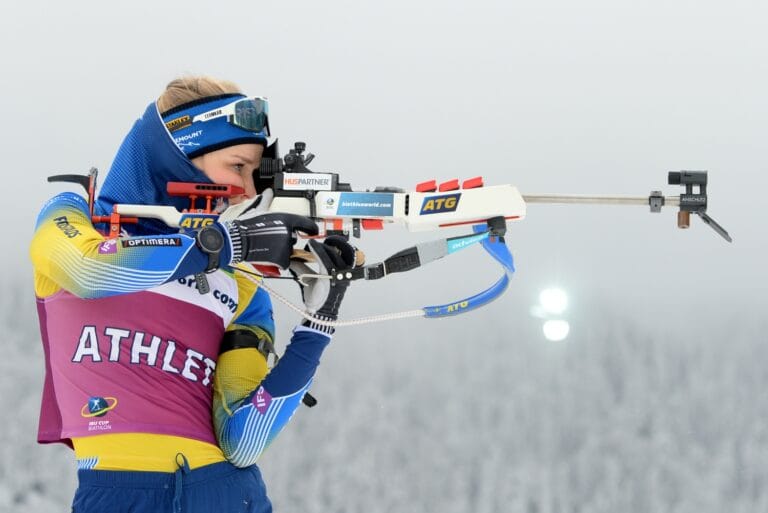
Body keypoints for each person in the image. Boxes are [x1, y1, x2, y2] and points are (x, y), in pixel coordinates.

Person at [30, 76, 356, 512]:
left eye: (254, 175)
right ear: (177, 156)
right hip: (116, 497)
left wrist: (317, 327)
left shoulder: (239, 281)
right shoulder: (75, 217)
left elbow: (243, 441)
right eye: (237, 166)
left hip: (227, 495)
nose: (248, 190)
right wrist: (226, 244)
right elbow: (87, 270)